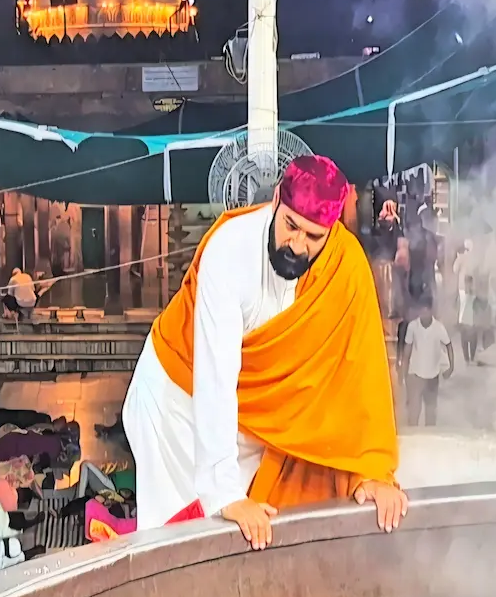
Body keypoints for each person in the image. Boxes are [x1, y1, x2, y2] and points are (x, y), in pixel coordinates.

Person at [122, 154, 406, 550]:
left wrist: (371, 470)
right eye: (290, 226)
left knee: (245, 531)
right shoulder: (228, 253)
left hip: (254, 420)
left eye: (313, 237)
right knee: (180, 537)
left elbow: (362, 375)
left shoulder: (345, 267)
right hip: (177, 402)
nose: (296, 244)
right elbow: (215, 381)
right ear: (276, 200)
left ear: (332, 231)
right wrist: (224, 494)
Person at [401, 296, 454, 426]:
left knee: (431, 413)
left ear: (431, 311)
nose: (424, 313)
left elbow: (449, 345)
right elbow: (407, 352)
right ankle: (413, 438)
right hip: (415, 375)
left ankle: (430, 440)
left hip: (433, 375)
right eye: (421, 310)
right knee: (414, 412)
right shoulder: (412, 326)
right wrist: (404, 374)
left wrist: (451, 367)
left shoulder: (439, 327)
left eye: (426, 310)